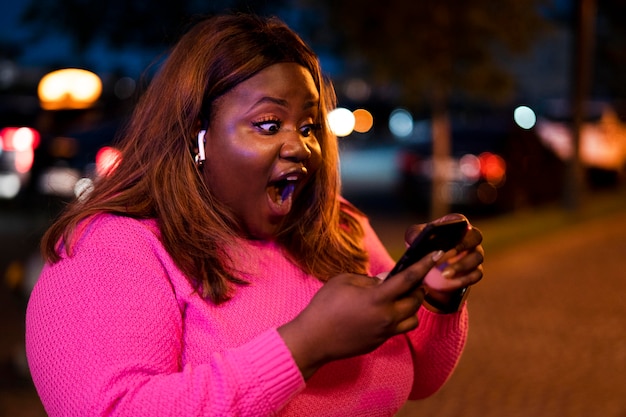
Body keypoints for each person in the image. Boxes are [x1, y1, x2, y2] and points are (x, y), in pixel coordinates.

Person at [25, 13, 484, 417]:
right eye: (268, 124)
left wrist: (439, 301)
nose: (300, 146)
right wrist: (306, 345)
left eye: (308, 127)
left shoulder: (339, 228)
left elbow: (422, 379)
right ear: (195, 136)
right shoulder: (112, 250)